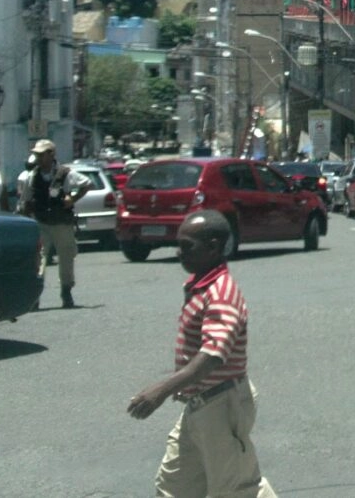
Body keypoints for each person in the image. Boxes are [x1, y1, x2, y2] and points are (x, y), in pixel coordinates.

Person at [127, 211, 277, 498]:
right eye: (179, 245)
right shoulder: (201, 283)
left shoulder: (221, 293)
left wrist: (161, 390)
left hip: (221, 405)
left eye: (187, 246)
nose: (179, 252)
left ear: (213, 247)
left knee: (236, 491)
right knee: (173, 487)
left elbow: (212, 355)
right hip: (198, 405)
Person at [17, 138, 90, 308]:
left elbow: (86, 184)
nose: (39, 158)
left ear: (51, 155)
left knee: (66, 258)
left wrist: (72, 199)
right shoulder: (32, 176)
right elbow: (25, 201)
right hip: (41, 223)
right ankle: (35, 297)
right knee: (39, 259)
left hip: (62, 223)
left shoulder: (64, 173)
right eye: (36, 155)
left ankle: (66, 291)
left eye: (42, 155)